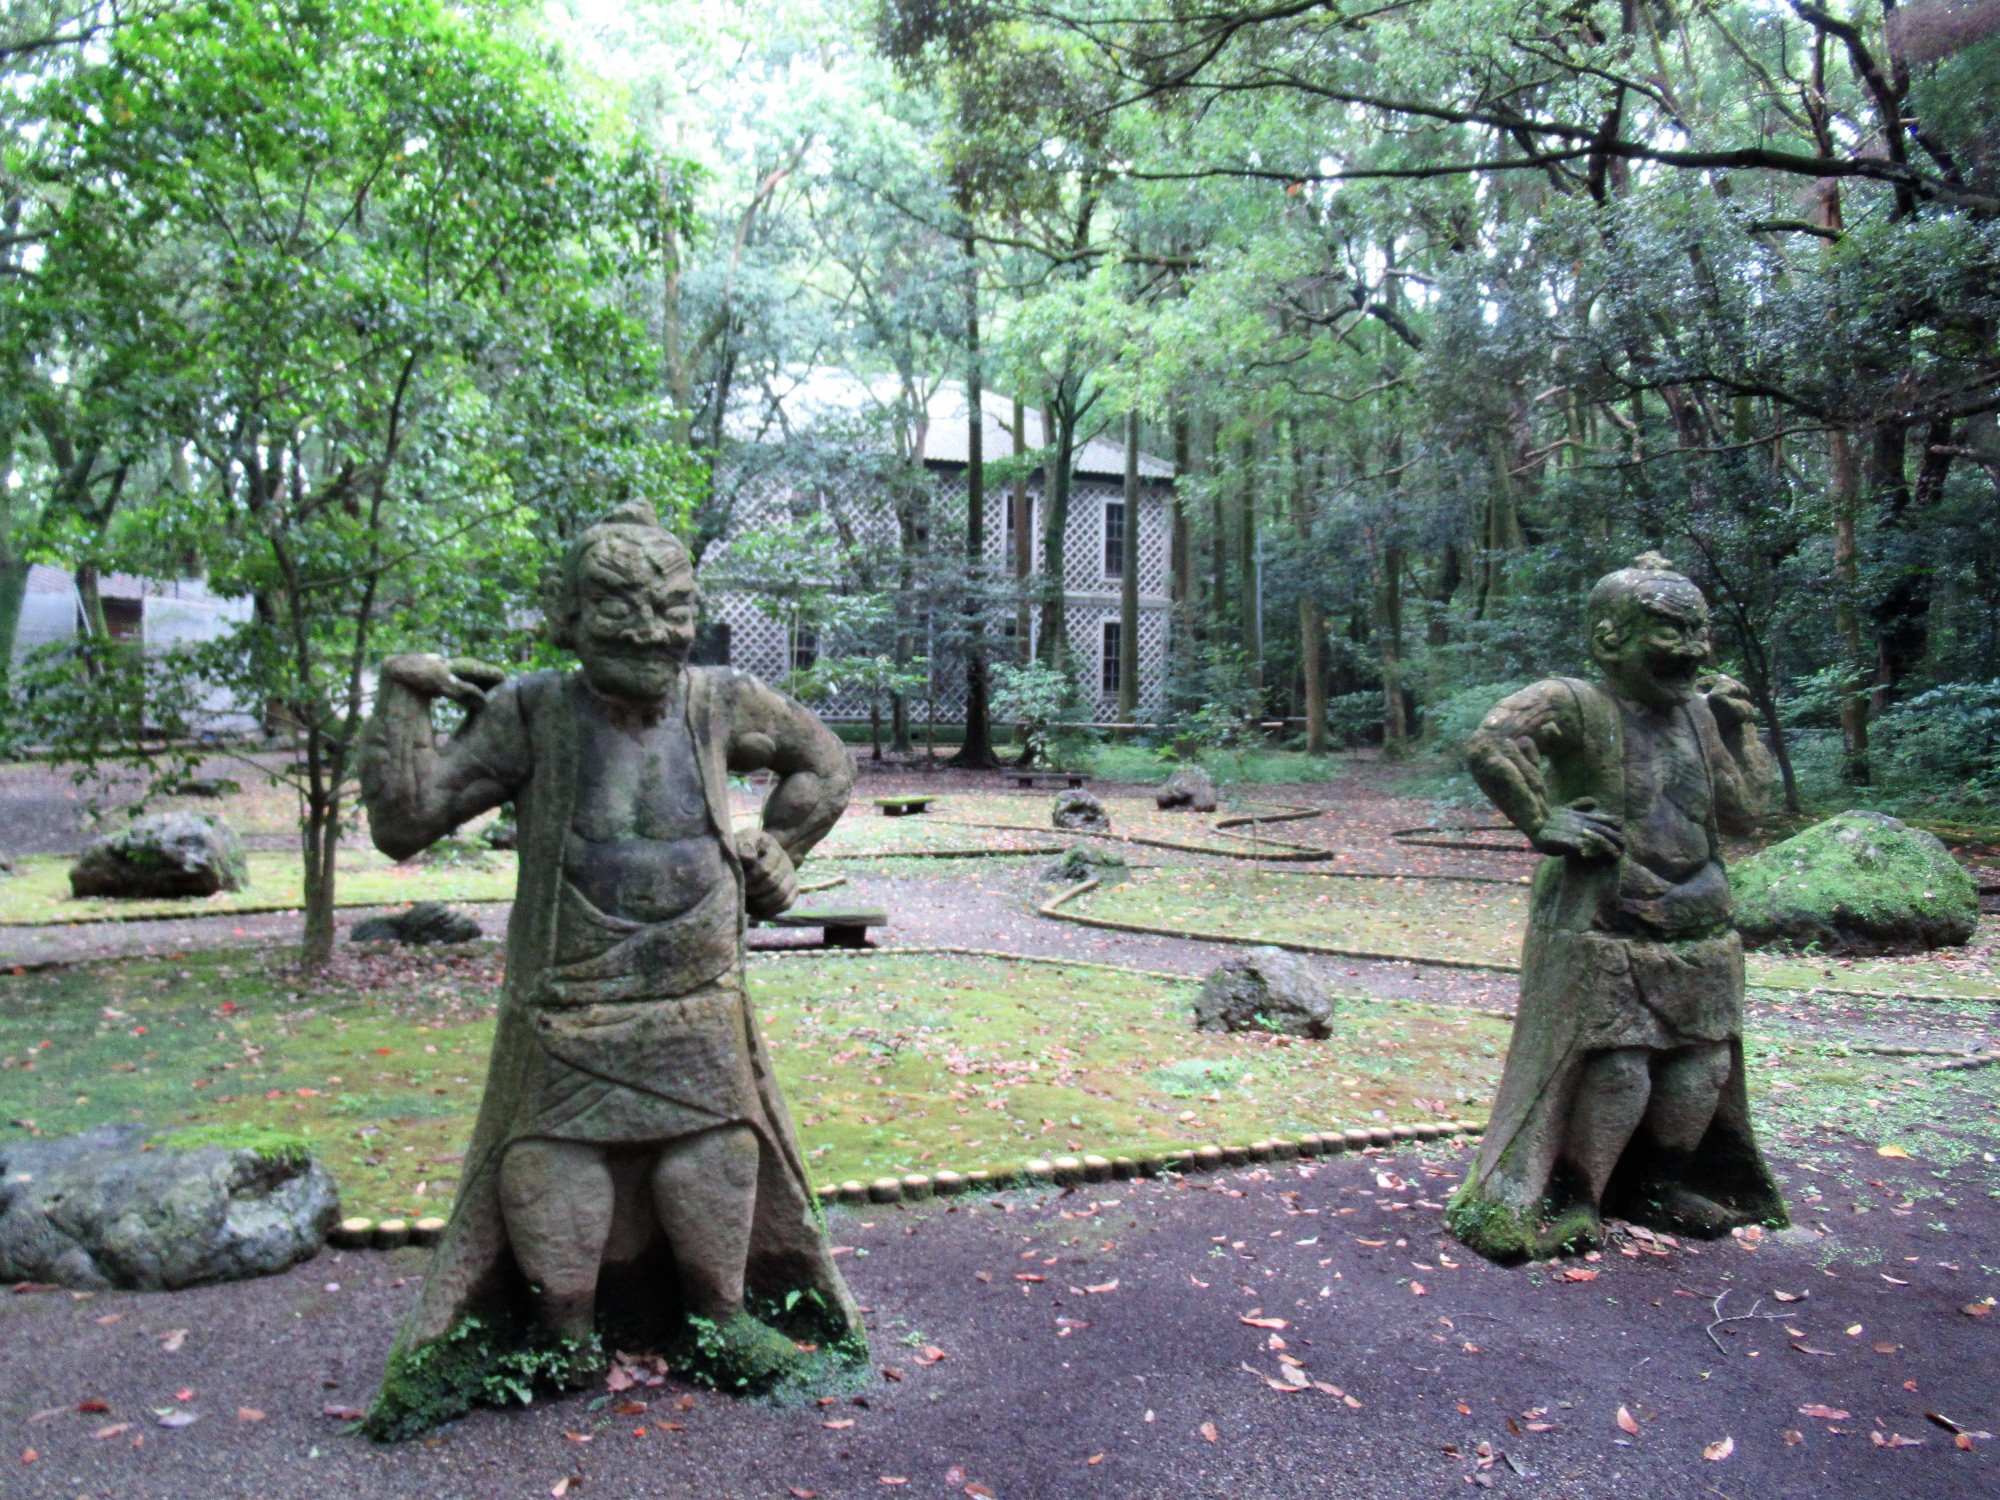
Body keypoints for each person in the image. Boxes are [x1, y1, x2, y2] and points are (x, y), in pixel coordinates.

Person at [357, 501, 860, 1438]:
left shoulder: (719, 701)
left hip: (697, 984)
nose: (647, 629)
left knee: (718, 1141)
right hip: (570, 991)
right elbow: (405, 821)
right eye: (618, 607)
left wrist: (778, 848)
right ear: (570, 618)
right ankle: (562, 1334)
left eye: (671, 608)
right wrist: (402, 700)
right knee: (550, 1152)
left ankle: (721, 1318)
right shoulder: (532, 712)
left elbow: (825, 764)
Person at [1445, 554, 1787, 1262]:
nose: (1693, 650)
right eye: (1670, 631)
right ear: (1609, 639)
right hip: (1607, 921)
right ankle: (1579, 1194)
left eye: (1699, 632)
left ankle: (1660, 1186)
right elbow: (1492, 741)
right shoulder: (1575, 702)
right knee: (1619, 1070)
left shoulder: (1698, 716)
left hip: (1701, 924)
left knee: (1702, 1070)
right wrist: (1545, 820)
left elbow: (1748, 811)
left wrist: (1741, 730)